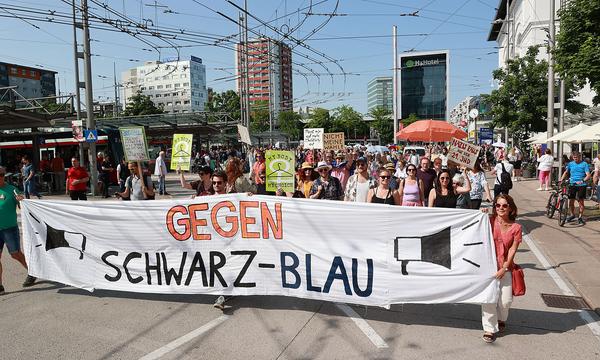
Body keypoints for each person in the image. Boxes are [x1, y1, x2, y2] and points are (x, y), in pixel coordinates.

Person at [481, 194, 522, 343]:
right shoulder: (489, 221)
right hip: (488, 267)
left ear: (510, 208)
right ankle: (489, 329)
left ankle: (501, 319)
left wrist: (504, 268)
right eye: (498, 205)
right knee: (489, 299)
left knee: (505, 301)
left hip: (506, 268)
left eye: (504, 205)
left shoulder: (516, 228)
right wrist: (482, 215)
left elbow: (512, 249)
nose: (501, 208)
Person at [0, 166, 37, 294]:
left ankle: (32, 271)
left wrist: (22, 201)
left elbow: (23, 208)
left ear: (4, 175)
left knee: (15, 254)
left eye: (1, 175)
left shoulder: (11, 190)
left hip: (9, 229)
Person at [560, 151, 591, 225]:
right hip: (572, 184)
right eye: (574, 157)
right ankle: (572, 215)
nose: (575, 159)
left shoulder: (584, 164)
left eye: (576, 157)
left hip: (581, 185)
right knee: (571, 201)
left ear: (580, 157)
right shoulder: (570, 164)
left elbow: (588, 175)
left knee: (581, 202)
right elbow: (566, 172)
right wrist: (561, 180)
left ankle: (580, 217)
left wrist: (582, 180)